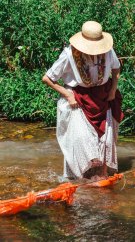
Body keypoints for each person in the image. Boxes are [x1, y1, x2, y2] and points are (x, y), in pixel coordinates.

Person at [42, 21, 123, 180]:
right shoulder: (69, 55)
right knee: (81, 139)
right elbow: (47, 78)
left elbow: (116, 68)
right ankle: (81, 177)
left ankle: (103, 175)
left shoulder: (108, 51)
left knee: (107, 138)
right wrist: (68, 95)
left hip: (103, 95)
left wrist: (113, 89)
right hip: (78, 98)